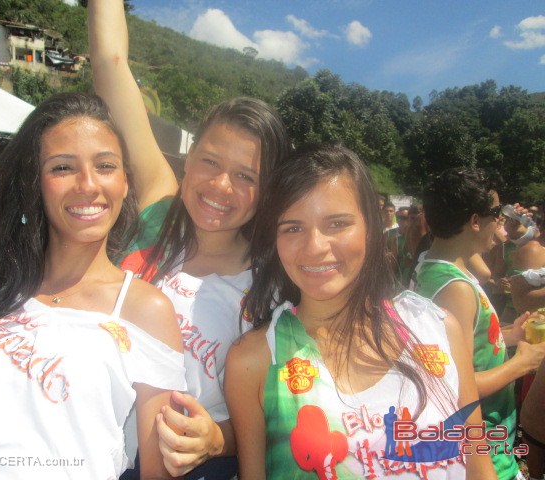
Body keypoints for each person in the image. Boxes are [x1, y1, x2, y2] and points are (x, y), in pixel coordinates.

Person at [0, 93, 185, 479]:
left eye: (105, 165)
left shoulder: (146, 310)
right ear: (34, 184)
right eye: (63, 168)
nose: (87, 185)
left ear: (124, 182)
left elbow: (160, 471)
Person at [88, 1, 290, 477]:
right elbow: (110, 63)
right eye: (211, 162)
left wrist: (218, 438)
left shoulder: (275, 288)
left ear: (269, 191)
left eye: (246, 176)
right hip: (95, 444)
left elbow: (282, 419)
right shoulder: (161, 206)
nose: (221, 186)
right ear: (188, 155)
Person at [225, 145, 495, 479]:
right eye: (293, 228)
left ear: (371, 226)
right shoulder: (254, 360)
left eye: (337, 223)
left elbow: (479, 469)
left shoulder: (438, 329)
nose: (314, 247)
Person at [413, 167, 545, 480]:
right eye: (497, 212)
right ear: (475, 221)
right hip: (481, 454)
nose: (501, 221)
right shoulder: (454, 288)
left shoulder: (433, 270)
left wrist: (511, 336)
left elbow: (463, 348)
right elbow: (452, 385)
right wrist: (521, 365)